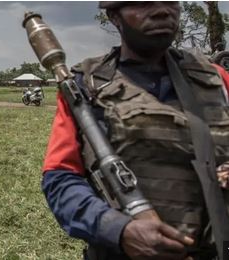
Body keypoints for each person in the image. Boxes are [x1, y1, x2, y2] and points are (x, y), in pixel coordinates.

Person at [41, 2, 229, 260]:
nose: (163, 10)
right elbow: (60, 179)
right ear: (114, 16)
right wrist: (119, 230)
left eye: (170, 1)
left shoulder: (217, 80)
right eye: (144, 3)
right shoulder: (85, 88)